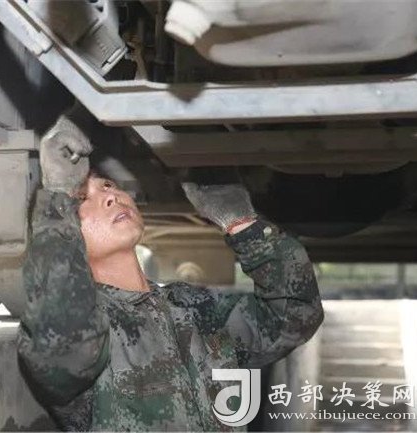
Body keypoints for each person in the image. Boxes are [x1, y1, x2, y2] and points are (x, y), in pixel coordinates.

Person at [17, 108, 324, 431]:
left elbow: (295, 315)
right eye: (81, 198)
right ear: (64, 226)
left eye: (107, 185)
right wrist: (57, 198)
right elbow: (63, 346)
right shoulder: (93, 329)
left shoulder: (193, 309)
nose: (109, 196)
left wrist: (241, 222)